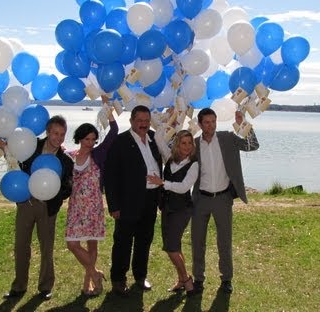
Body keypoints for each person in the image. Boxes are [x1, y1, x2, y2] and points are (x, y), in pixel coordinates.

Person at [0, 115, 73, 300]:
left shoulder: (65, 161)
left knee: (47, 248)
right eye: (55, 133)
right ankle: (19, 286)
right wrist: (5, 147)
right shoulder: (31, 146)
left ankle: (45, 286)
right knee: (21, 245)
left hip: (48, 208)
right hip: (26, 202)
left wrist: (51, 192)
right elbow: (16, 164)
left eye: (62, 134)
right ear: (48, 132)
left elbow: (67, 187)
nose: (58, 138)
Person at [191, 108, 259, 294]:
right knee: (198, 242)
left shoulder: (228, 138)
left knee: (224, 242)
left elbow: (252, 146)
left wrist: (243, 123)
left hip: (223, 198)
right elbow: (174, 155)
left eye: (213, 121)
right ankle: (198, 279)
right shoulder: (195, 144)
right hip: (200, 200)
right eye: (206, 122)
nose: (211, 125)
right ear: (199, 124)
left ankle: (226, 279)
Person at [104, 105, 162, 295]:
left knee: (144, 240)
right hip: (128, 201)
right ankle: (118, 279)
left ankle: (140, 276)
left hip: (151, 198)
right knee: (123, 242)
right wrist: (113, 205)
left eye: (146, 121)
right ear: (131, 121)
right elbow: (110, 176)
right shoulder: (121, 142)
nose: (144, 125)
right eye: (140, 121)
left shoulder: (155, 138)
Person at [65, 98, 118, 296]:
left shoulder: (99, 154)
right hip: (76, 208)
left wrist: (109, 110)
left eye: (92, 139)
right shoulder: (69, 156)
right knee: (72, 244)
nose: (90, 142)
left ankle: (89, 283)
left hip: (93, 206)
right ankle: (96, 273)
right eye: (86, 139)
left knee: (92, 244)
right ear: (79, 138)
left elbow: (113, 133)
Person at [147, 129, 198, 296]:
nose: (187, 146)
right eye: (183, 143)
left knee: (171, 247)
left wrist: (162, 183)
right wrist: (170, 120)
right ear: (177, 144)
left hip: (182, 209)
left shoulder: (194, 164)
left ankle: (186, 279)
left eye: (190, 143)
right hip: (167, 208)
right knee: (175, 246)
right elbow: (159, 137)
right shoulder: (170, 157)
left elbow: (184, 187)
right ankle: (181, 280)